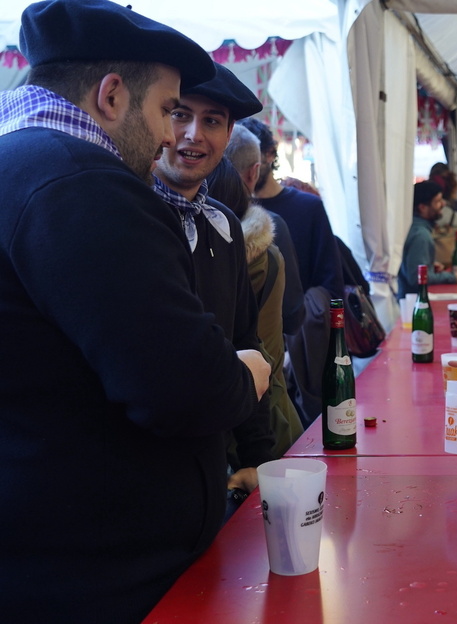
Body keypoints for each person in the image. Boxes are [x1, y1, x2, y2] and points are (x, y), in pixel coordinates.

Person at [0, 1, 270, 621]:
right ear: (113, 95)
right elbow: (185, 389)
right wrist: (244, 374)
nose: (172, 136)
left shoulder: (23, 163)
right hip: (100, 577)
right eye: (166, 110)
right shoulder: (85, 185)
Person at [153, 62, 275, 495]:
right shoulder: (131, 216)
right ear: (158, 120)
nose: (193, 134)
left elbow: (245, 341)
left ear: (228, 134)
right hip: (144, 468)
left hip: (212, 463)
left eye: (211, 121)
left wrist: (258, 457)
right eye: (180, 114)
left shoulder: (223, 224)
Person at [207, 155, 304, 460]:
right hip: (274, 413)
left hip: (238, 427)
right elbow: (293, 317)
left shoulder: (217, 258)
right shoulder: (268, 253)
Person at [237, 117, 343, 299]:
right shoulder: (231, 210)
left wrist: (304, 313)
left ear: (270, 154)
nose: (245, 167)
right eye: (237, 158)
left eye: (250, 156)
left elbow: (332, 285)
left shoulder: (309, 208)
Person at [225, 124, 305, 337]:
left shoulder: (186, 216)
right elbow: (292, 314)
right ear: (254, 172)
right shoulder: (272, 226)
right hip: (260, 353)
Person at [398, 180, 457, 296]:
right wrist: (452, 277)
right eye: (437, 201)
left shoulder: (412, 228)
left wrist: (429, 267)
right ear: (422, 207)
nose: (443, 204)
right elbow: (416, 278)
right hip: (414, 301)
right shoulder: (421, 236)